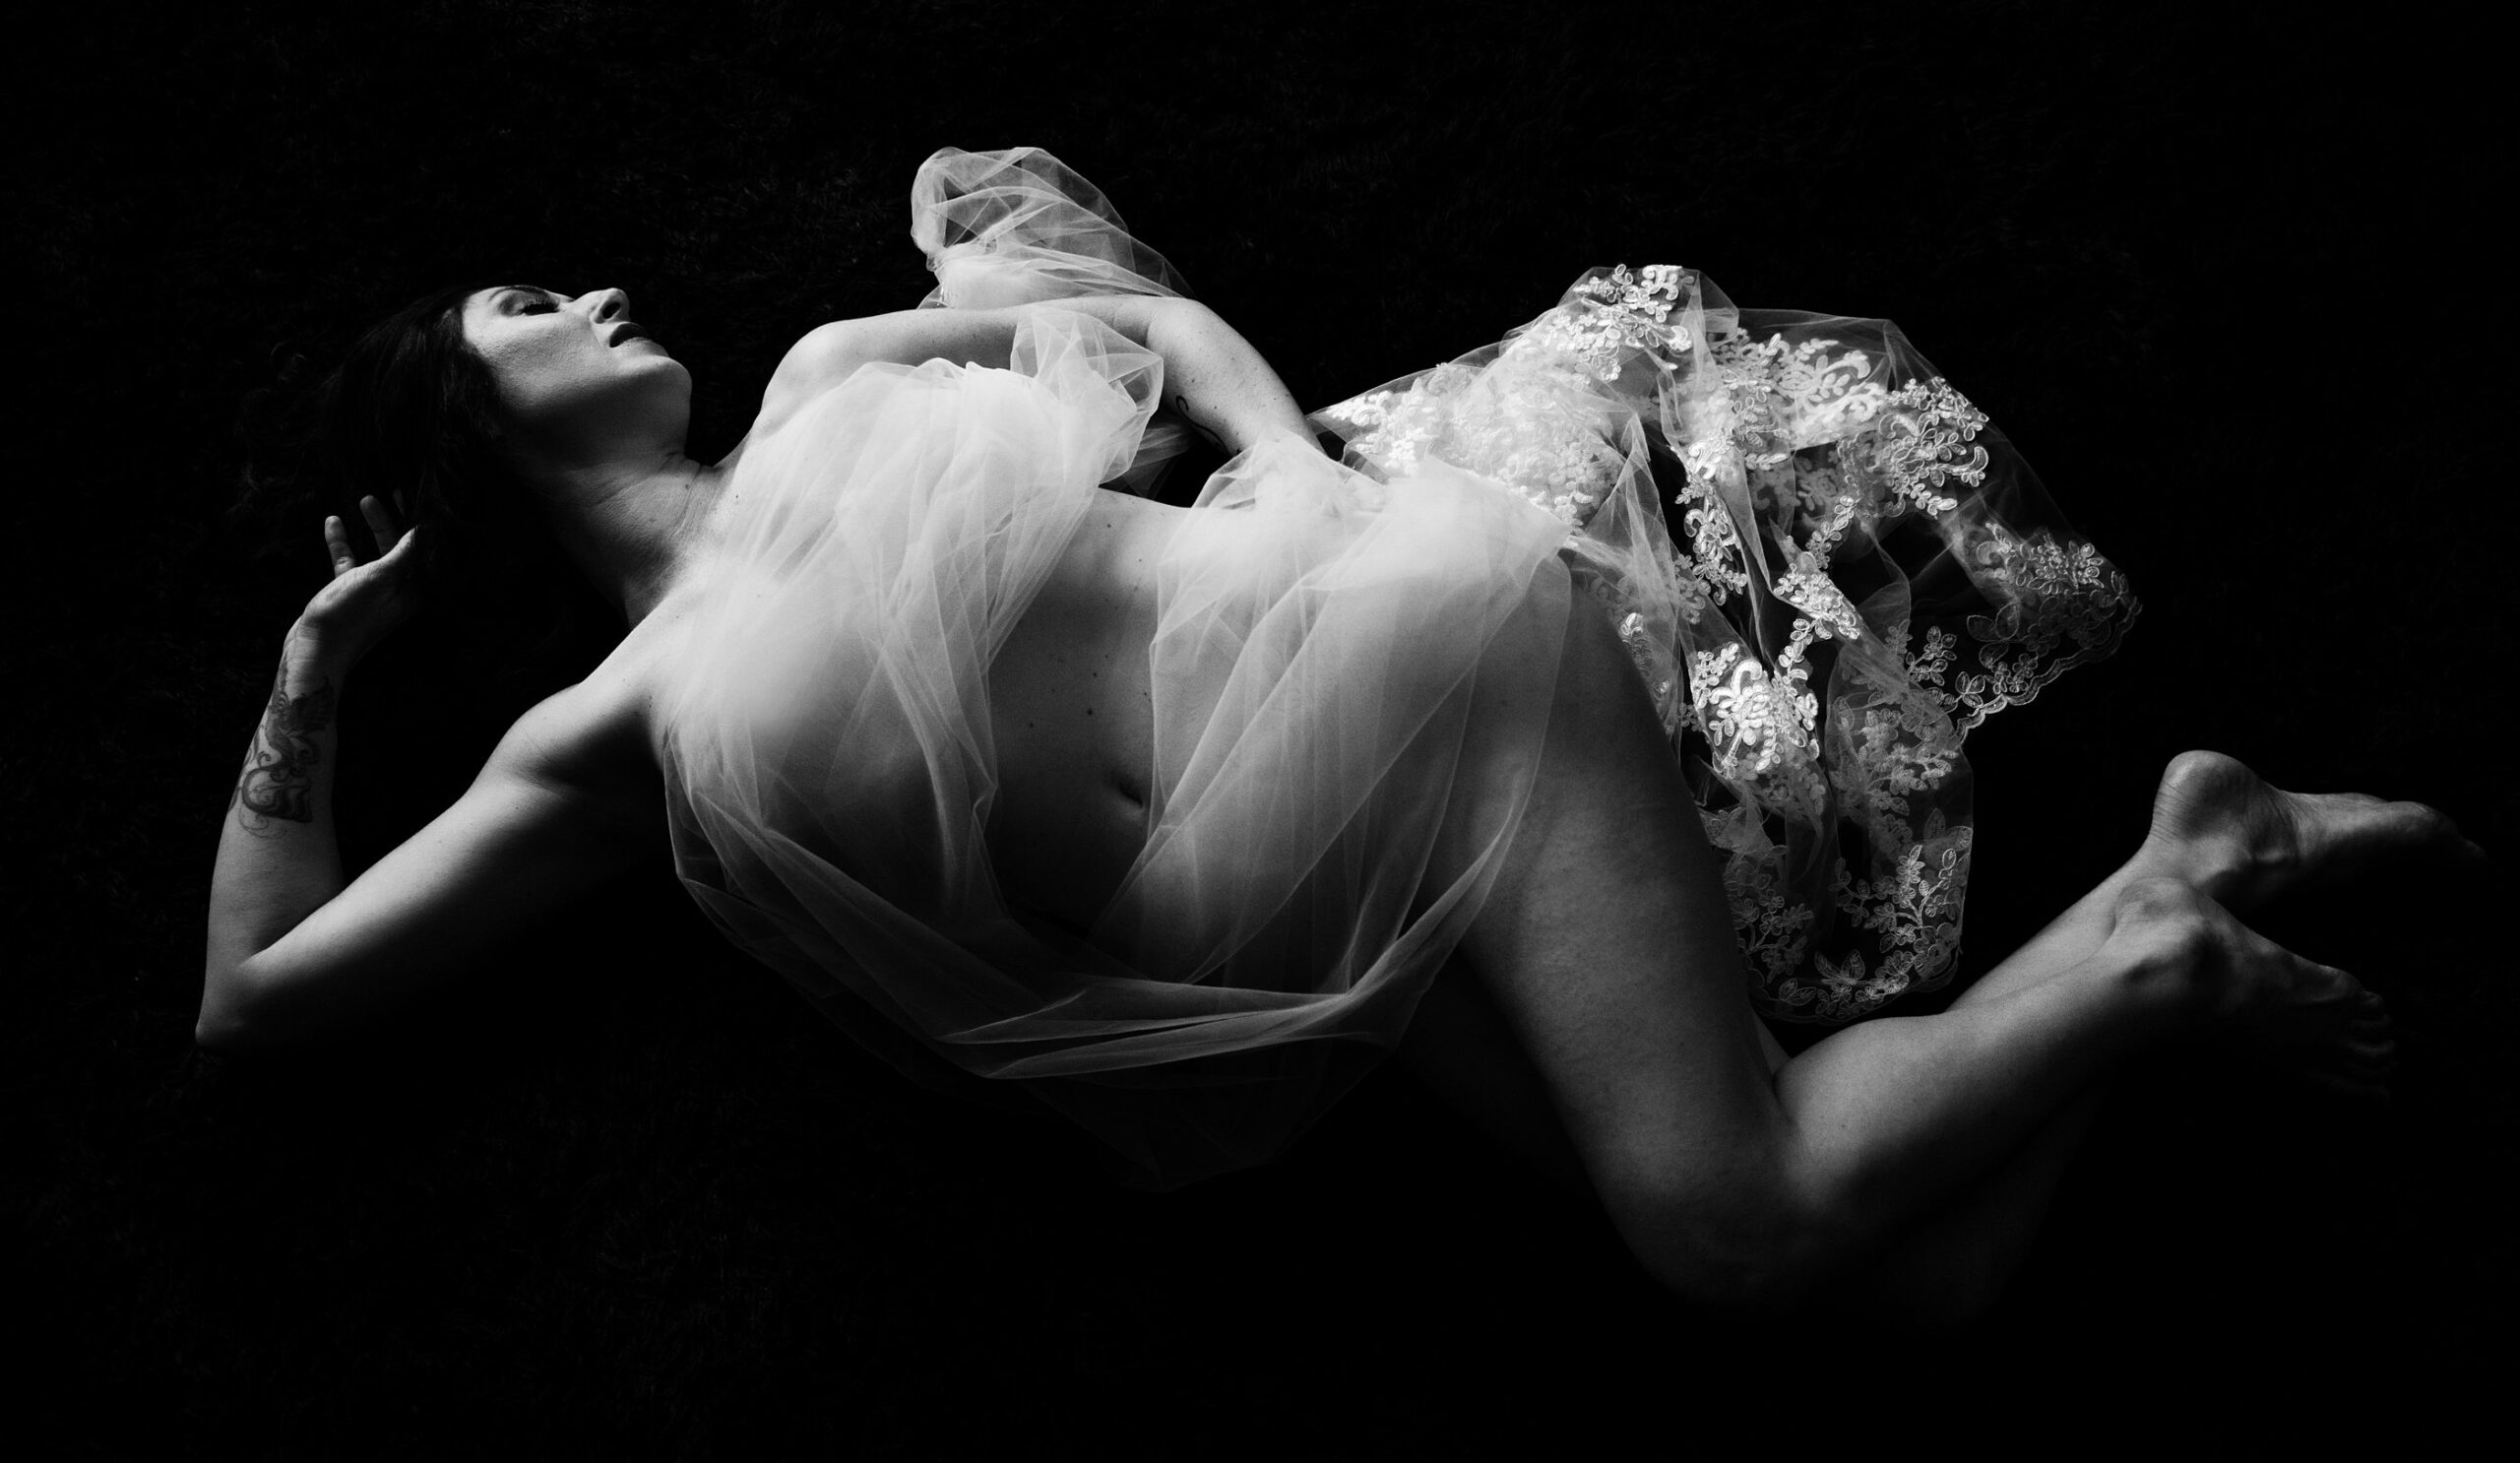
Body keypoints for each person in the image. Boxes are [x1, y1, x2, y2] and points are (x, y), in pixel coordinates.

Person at [198, 148, 2477, 1319]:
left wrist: (1282, 460)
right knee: (1913, 1288)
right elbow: (256, 1013)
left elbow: (1150, 322)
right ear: (470, 431)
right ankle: (2178, 876)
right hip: (1308, 936)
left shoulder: (817, 384)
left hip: (1403, 648)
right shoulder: (602, 735)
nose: (595, 294)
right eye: (529, 307)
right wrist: (317, 677)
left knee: (1726, 1238)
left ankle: (2177, 930)